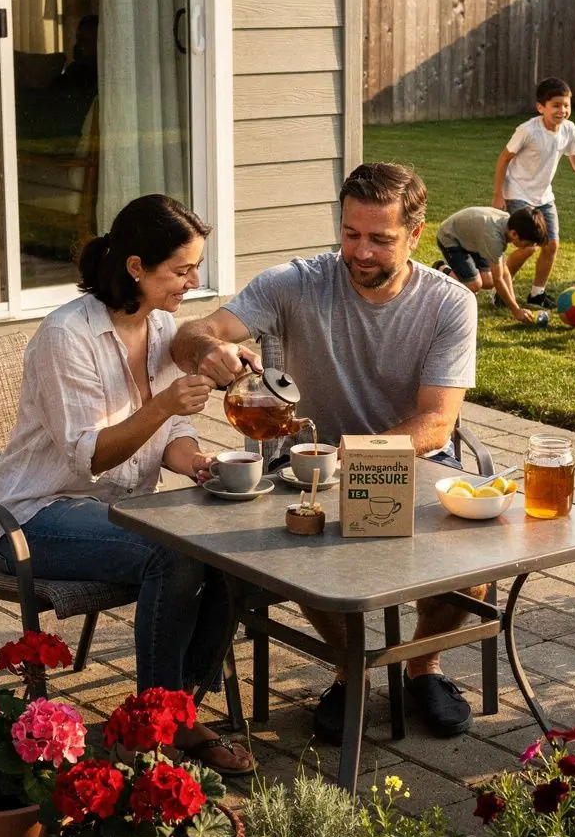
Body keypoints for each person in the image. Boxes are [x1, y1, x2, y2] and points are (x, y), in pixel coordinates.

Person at [171, 163, 483, 745]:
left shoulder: (449, 304)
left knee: (474, 567)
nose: (360, 252)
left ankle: (421, 666)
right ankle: (352, 670)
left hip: (408, 462)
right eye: (350, 233)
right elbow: (191, 331)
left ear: (415, 236)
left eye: (380, 239)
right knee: (308, 550)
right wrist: (208, 348)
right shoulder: (293, 284)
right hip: (303, 474)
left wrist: (350, 454)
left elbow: (437, 424)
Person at [0, 194, 253, 775]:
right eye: (180, 270)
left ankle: (174, 709)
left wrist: (199, 462)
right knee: (173, 557)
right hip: (33, 519)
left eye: (194, 268)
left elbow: (174, 433)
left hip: (117, 515)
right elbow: (90, 457)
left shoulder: (158, 327)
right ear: (136, 267)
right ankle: (159, 726)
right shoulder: (66, 336)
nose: (193, 281)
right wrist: (160, 407)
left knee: (233, 549)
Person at [491, 76, 575, 308]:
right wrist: (498, 195)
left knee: (551, 245)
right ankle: (500, 291)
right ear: (541, 107)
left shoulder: (569, 130)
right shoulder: (527, 131)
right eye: (556, 105)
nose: (562, 110)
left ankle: (537, 294)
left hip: (544, 197)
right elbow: (504, 159)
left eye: (566, 105)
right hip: (518, 193)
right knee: (529, 247)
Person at [434, 205, 548, 322]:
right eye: (527, 243)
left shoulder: (508, 224)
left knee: (488, 282)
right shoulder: (494, 239)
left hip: (473, 239)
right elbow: (498, 279)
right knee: (474, 285)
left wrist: (515, 306)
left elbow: (504, 272)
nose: (527, 247)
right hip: (450, 238)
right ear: (514, 234)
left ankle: (464, 272)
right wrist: (516, 310)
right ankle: (441, 269)